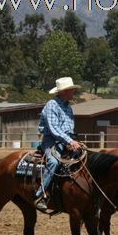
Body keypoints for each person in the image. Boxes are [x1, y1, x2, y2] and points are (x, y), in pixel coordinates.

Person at [35, 77, 82, 211]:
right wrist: (70, 141)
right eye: (70, 90)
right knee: (54, 162)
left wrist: (71, 140)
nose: (73, 91)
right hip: (51, 141)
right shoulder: (52, 105)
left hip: (66, 141)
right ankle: (41, 195)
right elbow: (54, 129)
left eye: (72, 89)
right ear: (63, 92)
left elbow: (69, 128)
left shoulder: (68, 107)